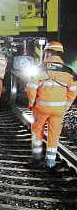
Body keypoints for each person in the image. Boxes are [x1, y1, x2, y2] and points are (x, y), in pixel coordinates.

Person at [26, 40, 77, 168]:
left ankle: (36, 158)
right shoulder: (69, 72)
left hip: (41, 108)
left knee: (37, 131)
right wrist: (65, 107)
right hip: (59, 110)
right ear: (60, 54)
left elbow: (31, 88)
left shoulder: (39, 69)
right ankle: (50, 162)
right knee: (54, 134)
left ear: (47, 53)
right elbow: (73, 92)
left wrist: (32, 103)